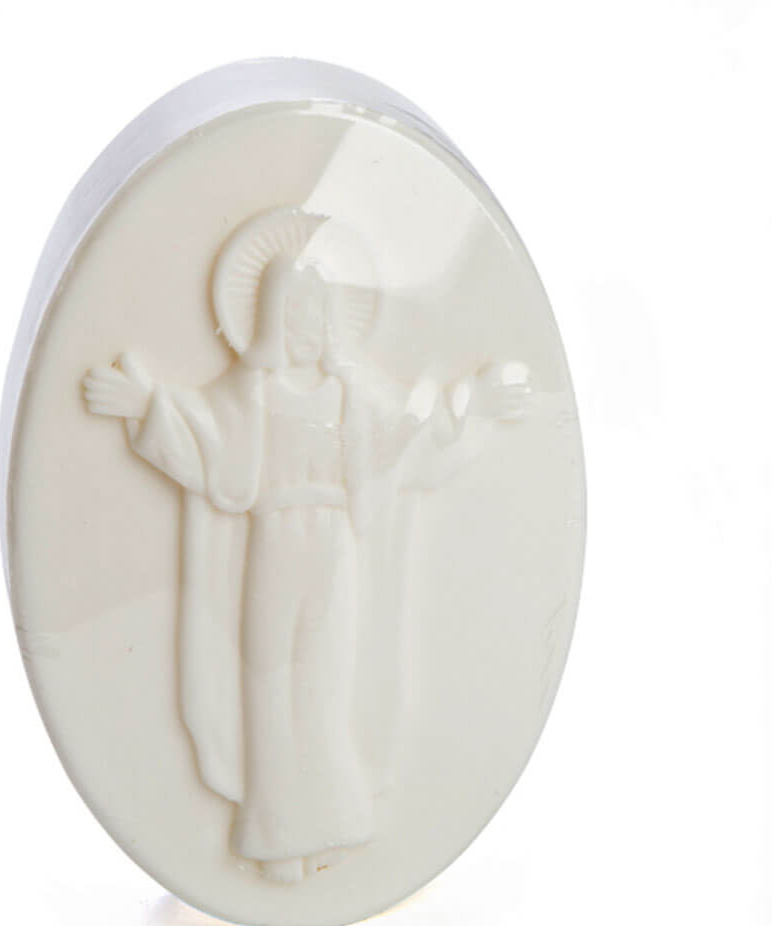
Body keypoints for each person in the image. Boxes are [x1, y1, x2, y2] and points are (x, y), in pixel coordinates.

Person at [82, 209, 529, 881]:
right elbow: (204, 444)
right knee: (269, 685)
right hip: (274, 547)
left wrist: (474, 407)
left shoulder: (353, 395)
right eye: (293, 311)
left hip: (333, 550)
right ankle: (275, 839)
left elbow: (411, 441)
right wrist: (145, 405)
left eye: (316, 311)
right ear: (269, 317)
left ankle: (332, 828)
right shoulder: (250, 393)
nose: (306, 326)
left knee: (322, 685)